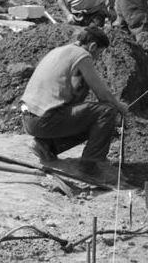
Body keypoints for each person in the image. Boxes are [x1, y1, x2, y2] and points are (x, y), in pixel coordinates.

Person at [20, 27, 130, 184]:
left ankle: (46, 146)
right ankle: (90, 166)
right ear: (92, 46)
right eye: (98, 54)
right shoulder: (82, 55)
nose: (97, 59)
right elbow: (102, 94)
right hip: (44, 120)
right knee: (106, 112)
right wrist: (120, 107)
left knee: (88, 117)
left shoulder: (60, 50)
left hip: (29, 118)